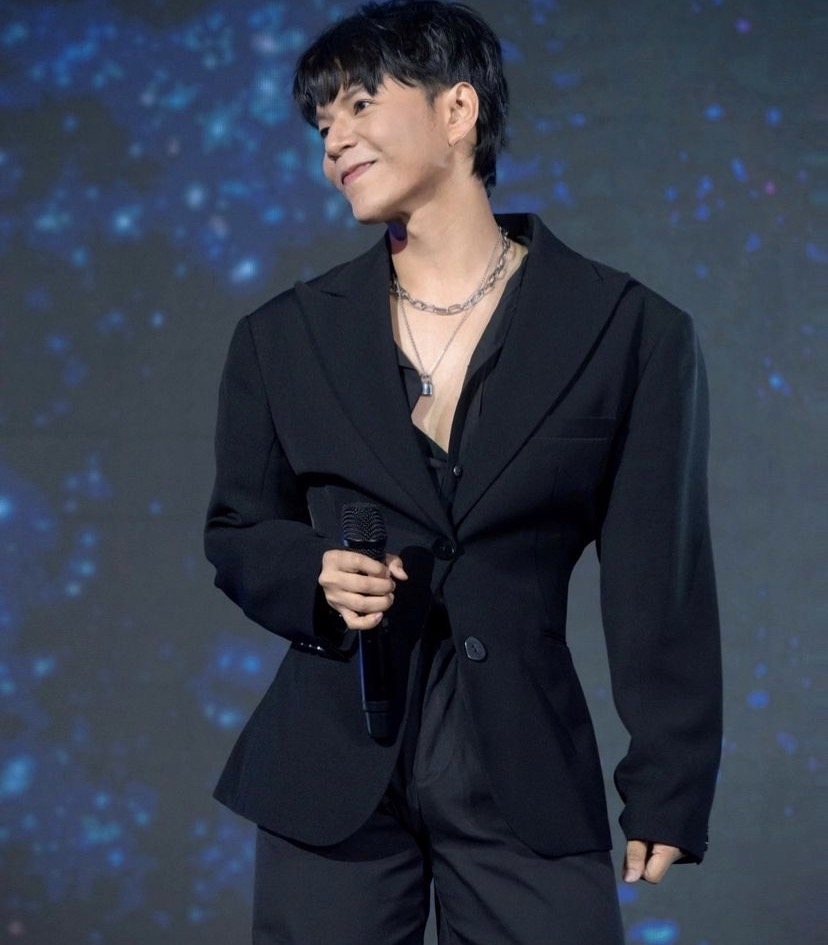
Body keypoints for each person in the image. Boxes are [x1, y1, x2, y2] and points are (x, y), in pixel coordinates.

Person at [204, 2, 722, 942]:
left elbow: (661, 577)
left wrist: (670, 781)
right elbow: (237, 530)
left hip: (523, 762)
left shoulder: (630, 333)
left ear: (457, 110)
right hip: (334, 764)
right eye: (322, 125)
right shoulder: (283, 338)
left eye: (360, 104)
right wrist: (313, 573)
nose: (334, 141)